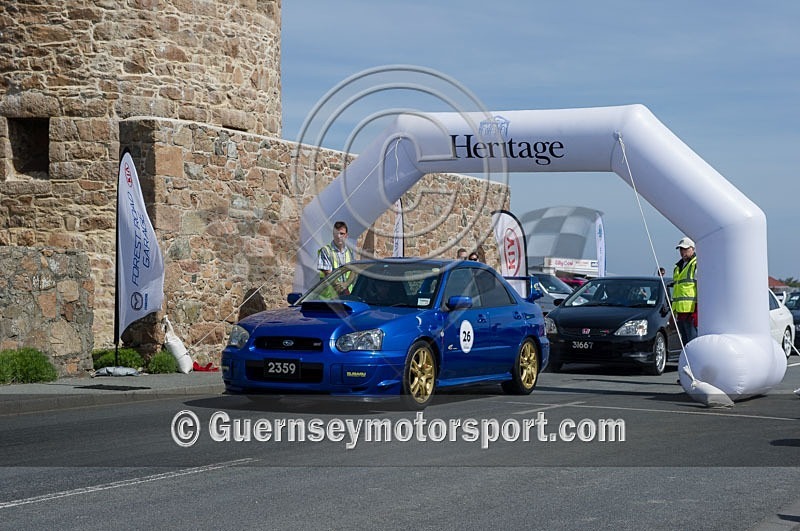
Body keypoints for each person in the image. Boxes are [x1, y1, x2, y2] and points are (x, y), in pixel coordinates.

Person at [673, 236, 698, 344]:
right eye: (681, 249)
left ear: (693, 249)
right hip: (681, 313)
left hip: (691, 312)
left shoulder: (696, 264)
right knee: (685, 344)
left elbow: (701, 288)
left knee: (693, 342)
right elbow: (676, 291)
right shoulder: (677, 267)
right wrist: (673, 313)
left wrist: (697, 311)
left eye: (685, 249)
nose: (683, 252)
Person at [317, 221, 354, 295]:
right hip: (330, 298)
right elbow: (328, 273)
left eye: (342, 234)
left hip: (347, 295)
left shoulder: (350, 251)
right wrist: (342, 288)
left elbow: (354, 270)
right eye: (336, 233)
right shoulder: (326, 250)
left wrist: (346, 284)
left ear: (346, 235)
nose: (339, 236)